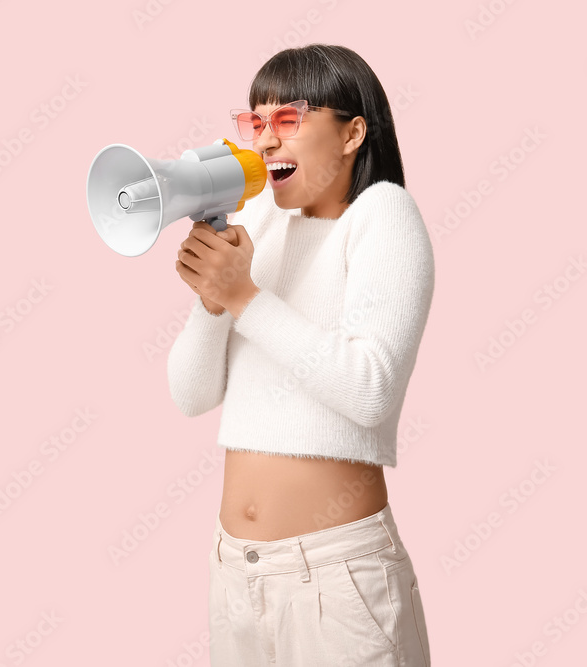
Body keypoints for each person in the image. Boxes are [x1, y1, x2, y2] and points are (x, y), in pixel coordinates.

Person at [167, 44, 434, 666]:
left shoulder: (381, 216)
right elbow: (190, 395)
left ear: (352, 133)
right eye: (255, 123)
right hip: (236, 571)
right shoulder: (259, 221)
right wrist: (214, 303)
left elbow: (370, 391)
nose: (264, 142)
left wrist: (244, 296)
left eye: (287, 120)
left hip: (338, 576)